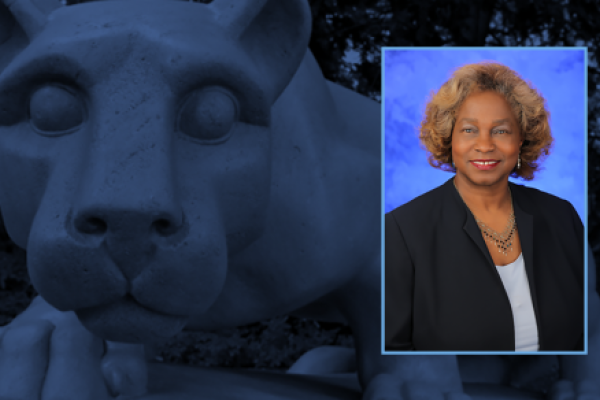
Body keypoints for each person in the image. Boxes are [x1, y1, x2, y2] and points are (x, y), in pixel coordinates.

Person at [385, 61, 584, 351]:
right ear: (448, 139)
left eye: (501, 131)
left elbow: (589, 331)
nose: (484, 144)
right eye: (469, 130)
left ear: (521, 140)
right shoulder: (403, 230)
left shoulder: (562, 217)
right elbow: (393, 352)